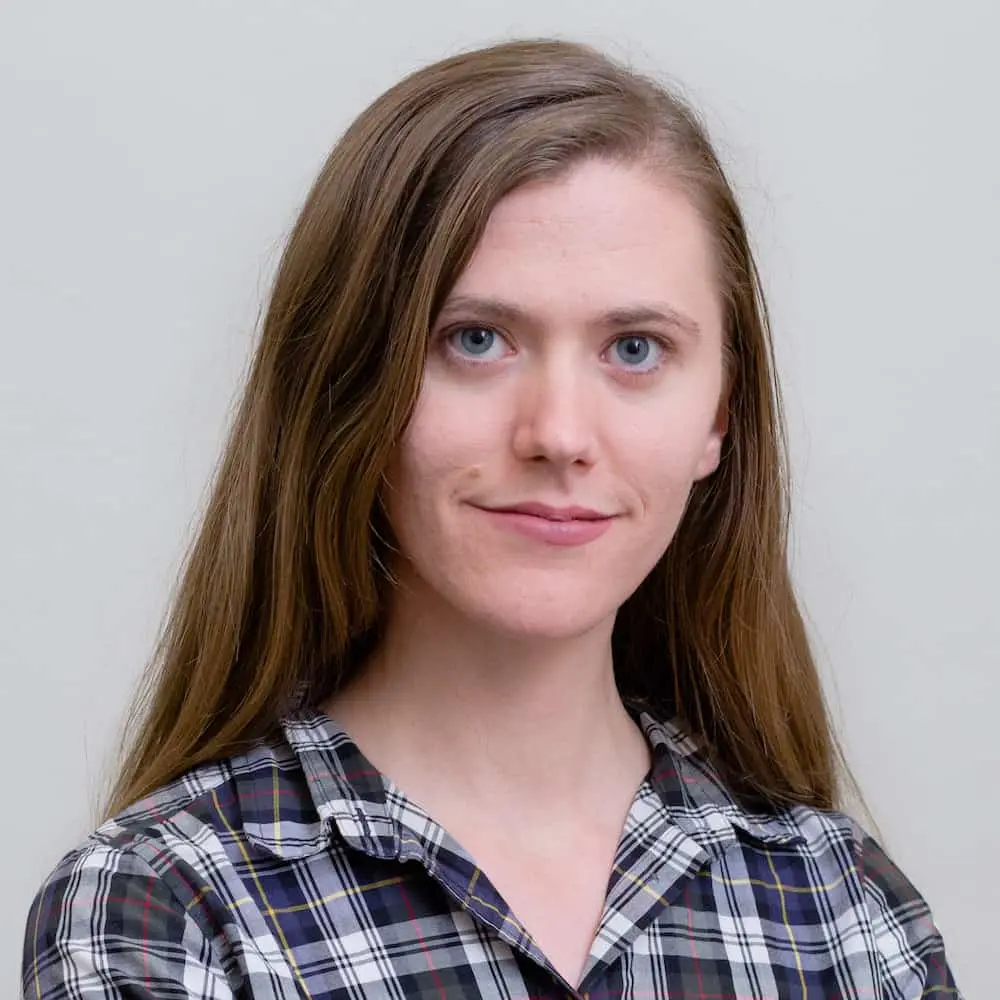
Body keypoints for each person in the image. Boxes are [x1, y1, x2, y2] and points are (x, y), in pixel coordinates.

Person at [22, 38, 961, 999]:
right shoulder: (166, 908)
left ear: (718, 417)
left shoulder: (848, 911)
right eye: (477, 341)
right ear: (352, 385)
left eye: (635, 348)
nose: (558, 433)